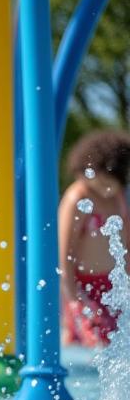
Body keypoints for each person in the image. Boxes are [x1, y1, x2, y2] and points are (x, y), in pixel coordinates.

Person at [59, 129, 130, 347]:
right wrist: (73, 301)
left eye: (108, 184)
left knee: (118, 342)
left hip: (112, 285)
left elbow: (125, 245)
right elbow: (64, 255)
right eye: (98, 182)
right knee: (92, 341)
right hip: (84, 288)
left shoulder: (118, 198)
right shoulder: (78, 199)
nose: (102, 188)